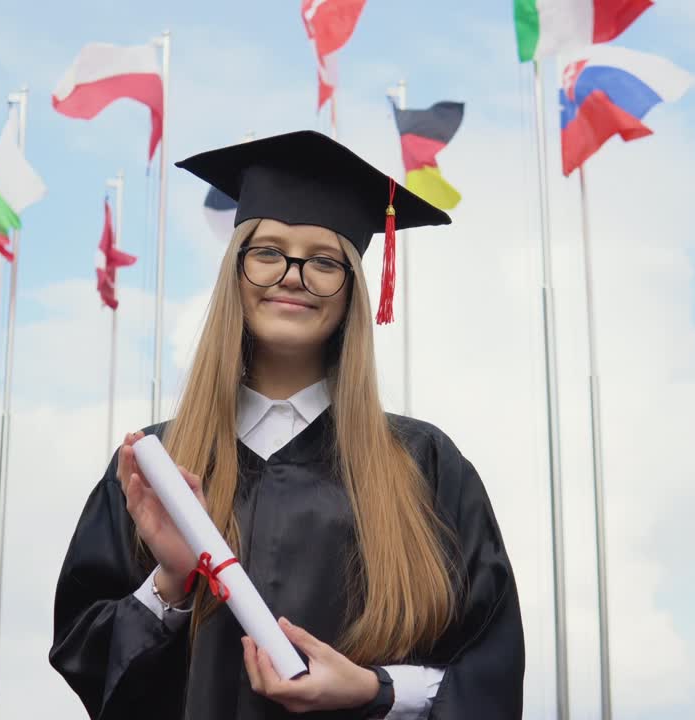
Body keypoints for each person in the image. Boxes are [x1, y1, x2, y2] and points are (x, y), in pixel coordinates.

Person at [49, 130, 525, 720]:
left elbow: (490, 669)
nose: (293, 275)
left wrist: (373, 689)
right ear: (236, 273)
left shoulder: (423, 463)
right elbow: (87, 663)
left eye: (324, 261)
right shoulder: (160, 467)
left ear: (352, 287)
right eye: (268, 252)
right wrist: (170, 581)